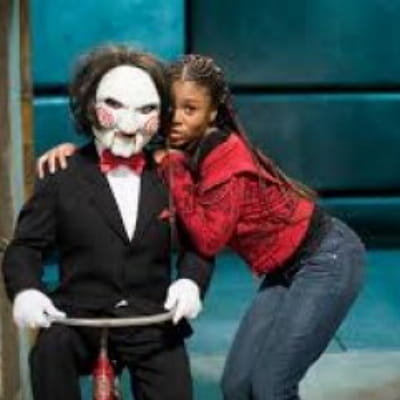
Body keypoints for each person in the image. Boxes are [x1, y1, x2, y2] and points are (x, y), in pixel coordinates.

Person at [37, 54, 365, 400]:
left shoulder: (226, 157)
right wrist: (76, 154)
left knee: (272, 387)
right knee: (237, 386)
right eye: (170, 108)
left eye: (190, 109)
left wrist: (175, 169)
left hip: (326, 258)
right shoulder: (180, 142)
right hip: (284, 269)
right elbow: (119, 147)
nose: (177, 119)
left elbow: (208, 240)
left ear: (212, 113)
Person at [2, 46, 214, 400]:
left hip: (151, 318)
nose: (129, 126)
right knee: (49, 355)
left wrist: (191, 281)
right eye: (114, 106)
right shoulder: (62, 174)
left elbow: (199, 243)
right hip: (78, 316)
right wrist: (26, 290)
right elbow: (25, 246)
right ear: (89, 106)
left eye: (145, 110)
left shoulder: (172, 174)